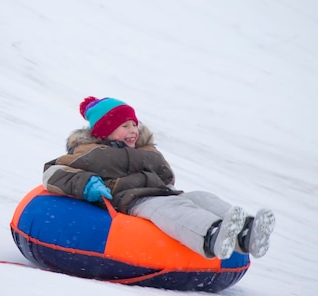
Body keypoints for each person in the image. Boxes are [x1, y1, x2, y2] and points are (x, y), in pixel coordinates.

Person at [43, 96, 276, 260]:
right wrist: (86, 184)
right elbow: (53, 172)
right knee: (171, 209)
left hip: (162, 192)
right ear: (104, 131)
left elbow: (167, 178)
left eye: (134, 124)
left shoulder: (146, 150)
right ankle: (211, 235)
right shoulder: (92, 153)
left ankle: (246, 233)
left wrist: (153, 162)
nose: (133, 130)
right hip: (132, 200)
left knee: (201, 197)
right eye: (124, 125)